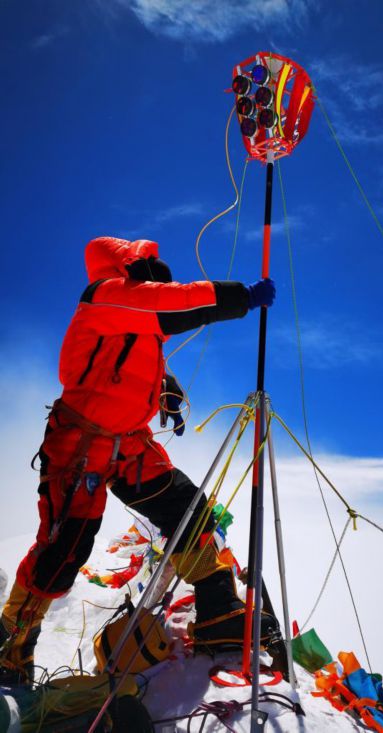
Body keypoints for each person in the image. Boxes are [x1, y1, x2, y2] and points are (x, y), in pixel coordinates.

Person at [0, 236, 277, 684]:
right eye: (149, 267)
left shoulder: (135, 315)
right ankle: (12, 646)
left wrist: (163, 389)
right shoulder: (103, 296)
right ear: (128, 267)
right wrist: (240, 297)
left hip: (129, 442)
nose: (157, 274)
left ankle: (218, 612)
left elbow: (133, 355)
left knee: (188, 509)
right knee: (64, 547)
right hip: (81, 446)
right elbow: (169, 307)